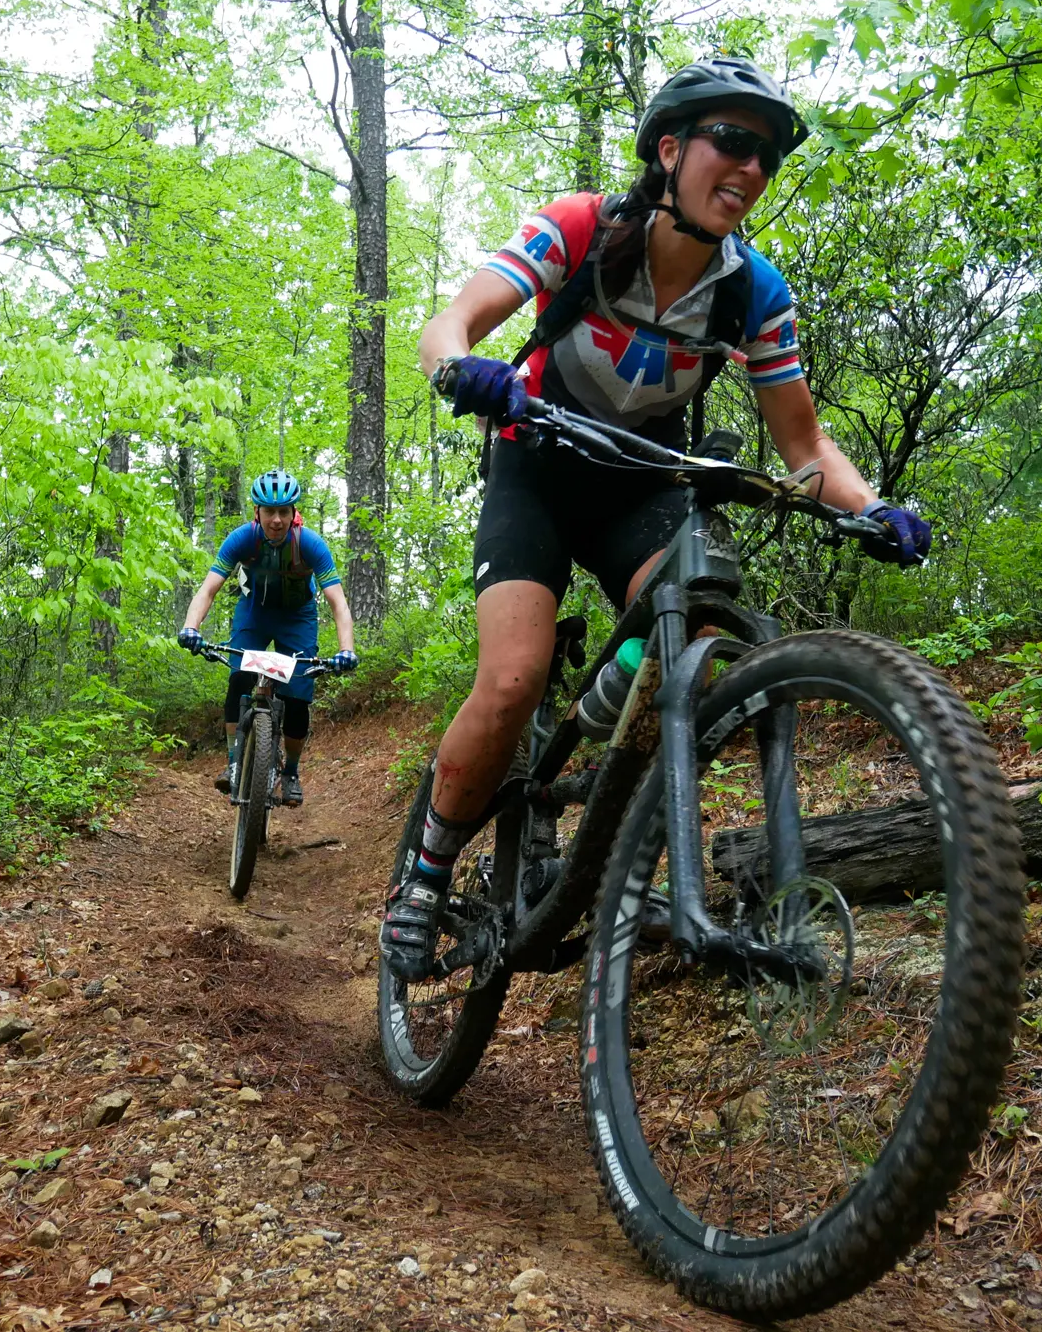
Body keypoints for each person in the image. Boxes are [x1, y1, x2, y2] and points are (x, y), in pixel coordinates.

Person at [378, 56, 933, 981]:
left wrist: (875, 509)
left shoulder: (754, 290)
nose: (751, 168)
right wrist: (459, 369)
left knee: (693, 614)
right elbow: (453, 322)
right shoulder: (584, 227)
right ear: (670, 150)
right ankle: (426, 874)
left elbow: (804, 449)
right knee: (513, 680)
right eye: (732, 141)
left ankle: (593, 744)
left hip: (645, 481)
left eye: (767, 156)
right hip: (539, 465)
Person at [178, 469, 358, 807]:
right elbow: (208, 588)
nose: (276, 520)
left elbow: (338, 601)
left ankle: (290, 772)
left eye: (284, 512)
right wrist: (192, 628)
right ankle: (234, 763)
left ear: (293, 514)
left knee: (297, 697)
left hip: (298, 617)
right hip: (254, 614)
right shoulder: (242, 539)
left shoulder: (310, 544)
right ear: (256, 512)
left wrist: (346, 649)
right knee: (239, 679)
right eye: (269, 512)